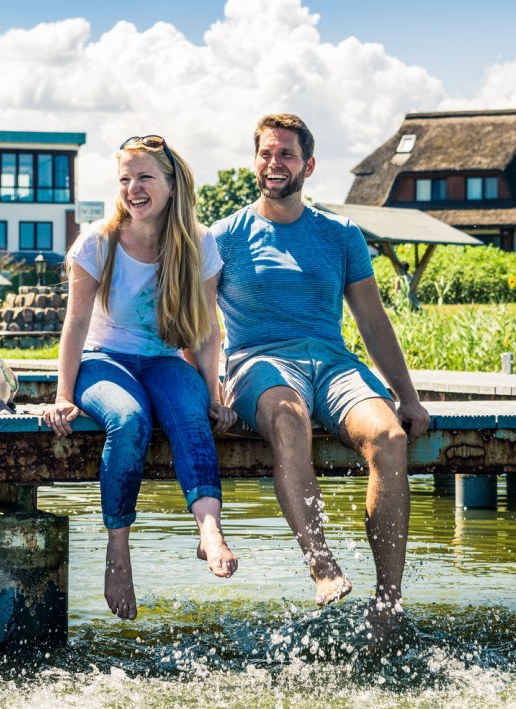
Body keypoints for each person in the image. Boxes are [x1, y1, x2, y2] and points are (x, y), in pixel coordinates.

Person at [211, 113, 431, 631]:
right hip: (259, 363)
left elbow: (373, 322)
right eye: (266, 153)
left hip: (331, 363)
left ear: (307, 164)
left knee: (389, 438)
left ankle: (387, 600)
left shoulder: (340, 235)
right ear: (255, 161)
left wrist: (409, 396)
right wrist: (210, 392)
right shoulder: (223, 237)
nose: (274, 163)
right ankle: (320, 560)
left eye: (286, 154)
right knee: (288, 418)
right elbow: (199, 327)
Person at [42, 135, 238, 621]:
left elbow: (208, 330)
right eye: (125, 179)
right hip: (104, 360)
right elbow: (76, 325)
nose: (133, 188)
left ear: (171, 185)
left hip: (164, 361)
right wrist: (64, 395)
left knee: (191, 416)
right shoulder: (98, 242)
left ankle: (209, 529)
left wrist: (213, 394)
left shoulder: (199, 241)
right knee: (128, 419)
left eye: (145, 177)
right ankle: (118, 551)